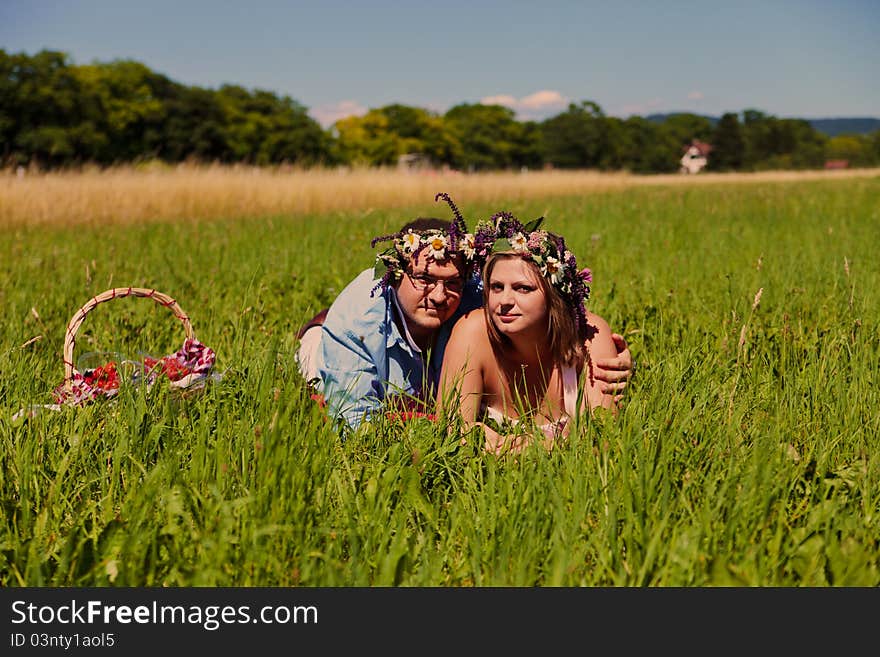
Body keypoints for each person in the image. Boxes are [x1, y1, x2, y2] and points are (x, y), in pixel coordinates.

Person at [296, 193, 632, 433]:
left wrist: (612, 354)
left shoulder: (478, 295)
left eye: (452, 282)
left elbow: (550, 308)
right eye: (425, 279)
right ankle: (314, 330)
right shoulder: (357, 321)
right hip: (339, 353)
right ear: (397, 274)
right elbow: (353, 420)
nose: (440, 295)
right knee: (316, 361)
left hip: (435, 386)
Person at [437, 209, 622, 455]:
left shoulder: (590, 336)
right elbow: (449, 429)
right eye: (496, 287)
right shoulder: (472, 331)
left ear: (554, 295)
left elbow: (604, 437)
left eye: (523, 288)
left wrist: (526, 448)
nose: (505, 300)